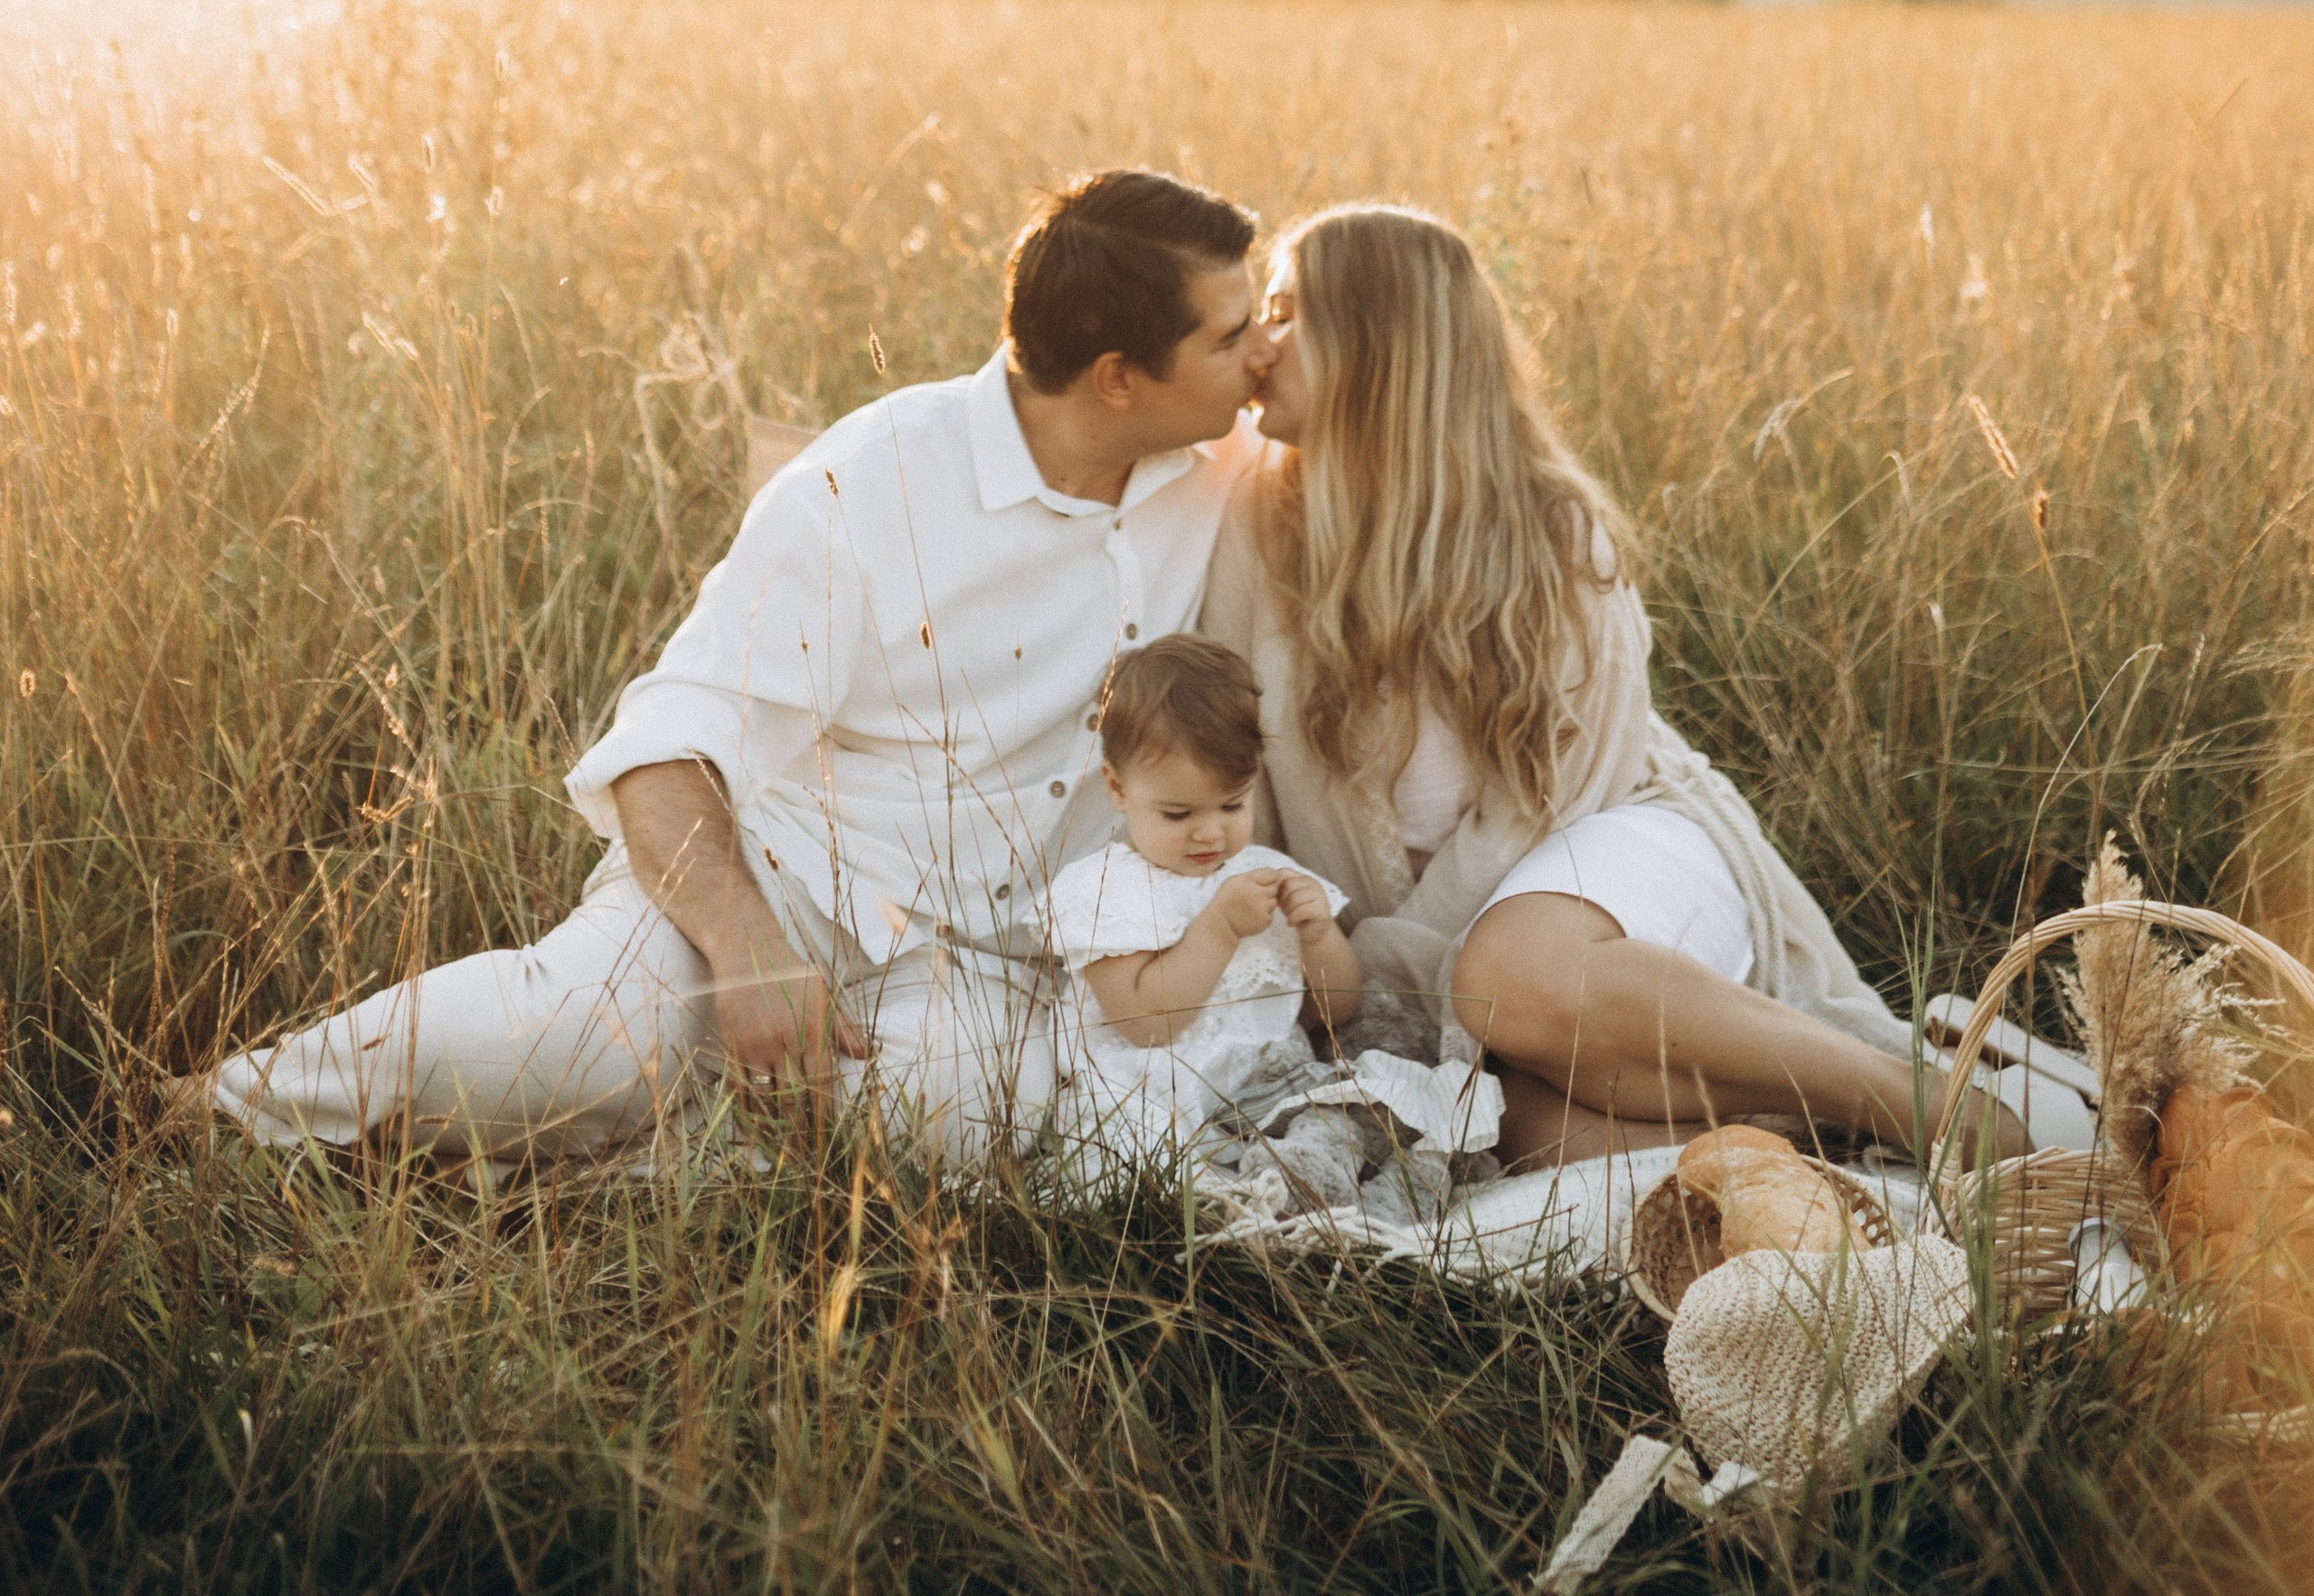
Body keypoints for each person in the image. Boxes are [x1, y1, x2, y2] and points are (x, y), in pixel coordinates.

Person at [188, 169, 1272, 1165]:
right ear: (1119, 378)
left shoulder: (1221, 463)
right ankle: (218, 1112)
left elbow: (1381, 399)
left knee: (967, 1119)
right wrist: (749, 954)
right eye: (1232, 336)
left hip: (986, 962)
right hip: (778, 890)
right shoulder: (865, 482)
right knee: (569, 1041)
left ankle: (607, 1170)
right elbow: (665, 747)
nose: (1260, 353)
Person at [1199, 202, 2021, 1170]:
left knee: (1508, 975)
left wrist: (1376, 973)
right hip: (1442, 958)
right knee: (1514, 1131)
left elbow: (1546, 800)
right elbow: (1236, 777)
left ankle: (1920, 1106)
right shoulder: (1254, 524)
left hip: (1613, 847)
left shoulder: (1550, 534)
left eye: (1291, 312)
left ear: (1380, 346)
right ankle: (1807, 1138)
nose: (1259, 341)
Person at [1044, 632, 1361, 1161]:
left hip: (1267, 1091)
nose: (1210, 834)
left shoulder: (1263, 873)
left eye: (1232, 806)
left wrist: (1319, 936)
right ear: (1118, 789)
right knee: (1136, 1155)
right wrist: (1217, 929)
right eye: (1179, 814)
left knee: (1341, 1123)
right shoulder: (1106, 891)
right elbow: (1145, 1025)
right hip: (1157, 1098)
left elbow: (1336, 1011)